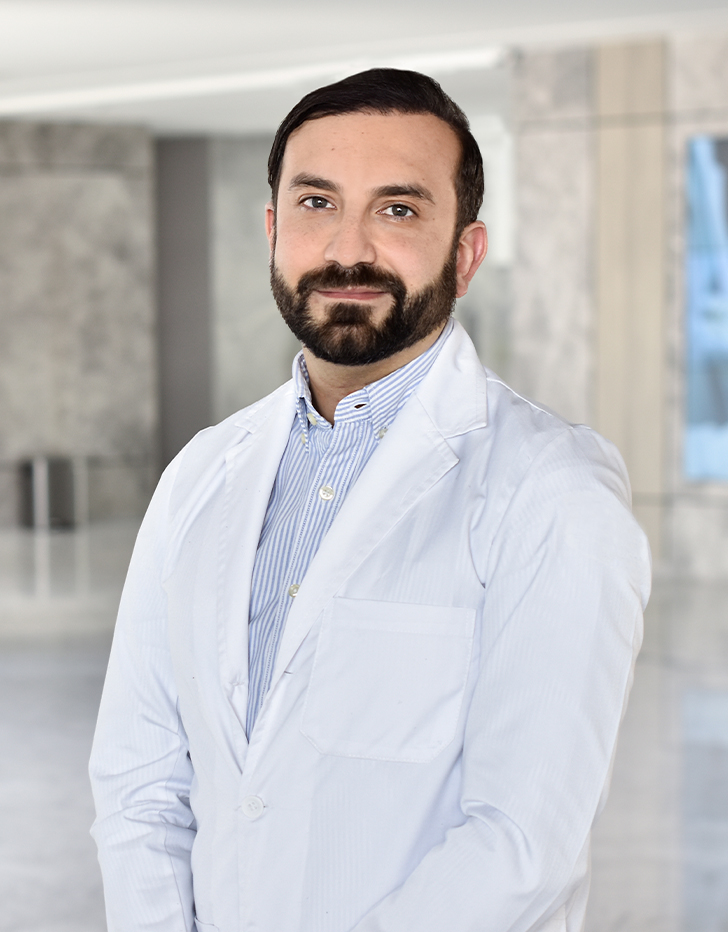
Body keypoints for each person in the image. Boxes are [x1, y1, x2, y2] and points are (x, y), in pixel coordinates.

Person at [89, 68, 651, 932]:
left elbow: (521, 847)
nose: (348, 248)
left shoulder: (552, 492)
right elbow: (140, 781)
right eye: (317, 203)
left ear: (465, 252)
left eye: (398, 209)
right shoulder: (202, 476)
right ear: (273, 231)